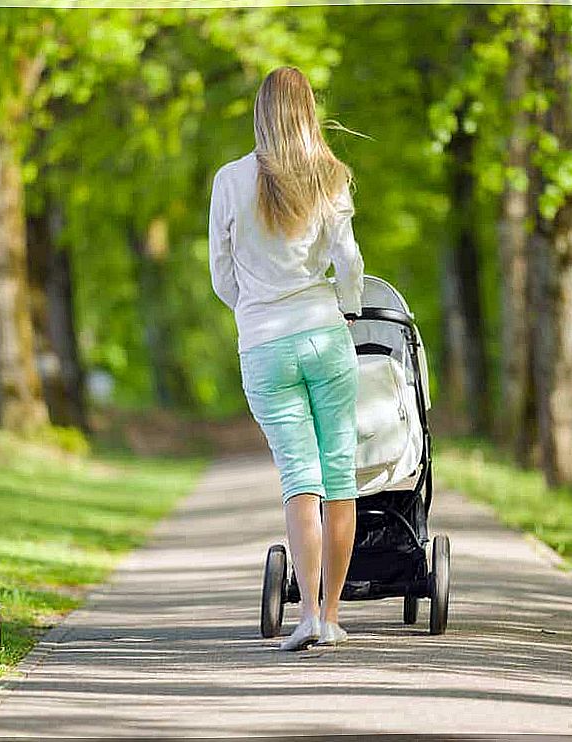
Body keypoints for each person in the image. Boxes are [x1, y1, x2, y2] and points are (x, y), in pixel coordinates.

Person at [207, 66, 365, 651]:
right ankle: (330, 614)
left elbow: (222, 275)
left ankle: (302, 618)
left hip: (264, 345)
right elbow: (348, 263)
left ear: (260, 113)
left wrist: (252, 308)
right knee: (340, 474)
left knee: (300, 478)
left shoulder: (229, 180)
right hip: (325, 334)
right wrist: (347, 309)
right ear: (308, 114)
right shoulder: (330, 176)